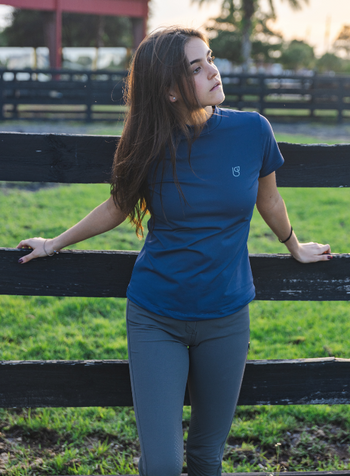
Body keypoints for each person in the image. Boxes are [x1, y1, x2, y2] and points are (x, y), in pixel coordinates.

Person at [17, 27, 332, 476]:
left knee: (206, 457)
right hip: (156, 317)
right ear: (168, 90)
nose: (213, 72)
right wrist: (52, 244)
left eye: (210, 59)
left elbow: (270, 200)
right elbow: (117, 207)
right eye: (196, 67)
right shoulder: (148, 142)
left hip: (226, 317)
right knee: (163, 464)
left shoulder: (252, 130)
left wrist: (294, 246)